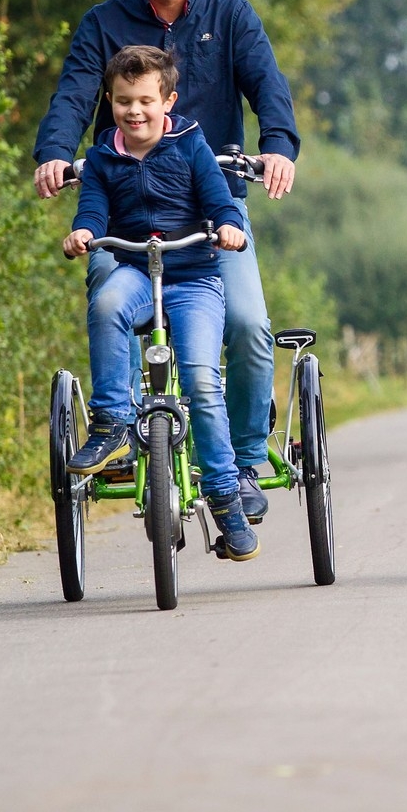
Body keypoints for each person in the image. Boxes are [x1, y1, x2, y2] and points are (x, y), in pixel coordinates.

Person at [33, 0, 299, 524]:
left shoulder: (230, 15)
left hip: (213, 212)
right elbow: (74, 94)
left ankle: (241, 460)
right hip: (123, 215)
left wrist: (277, 147)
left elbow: (268, 85)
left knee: (249, 326)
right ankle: (120, 430)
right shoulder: (104, 24)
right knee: (109, 298)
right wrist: (56, 152)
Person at [62, 46, 259, 560]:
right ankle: (111, 422)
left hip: (193, 279)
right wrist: (84, 231)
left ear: (167, 101)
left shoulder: (191, 144)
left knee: (201, 382)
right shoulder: (103, 156)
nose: (134, 111)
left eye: (145, 101)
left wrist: (230, 226)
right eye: (123, 101)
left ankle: (225, 498)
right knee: (106, 305)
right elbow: (94, 208)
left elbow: (218, 199)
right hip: (135, 270)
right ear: (110, 101)